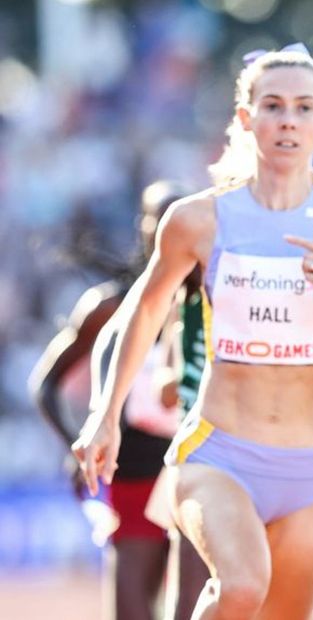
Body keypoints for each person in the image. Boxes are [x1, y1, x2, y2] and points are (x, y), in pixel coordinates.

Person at [71, 45, 313, 619]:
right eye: (273, 105)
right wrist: (103, 413)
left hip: (312, 464)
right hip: (219, 453)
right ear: (245, 117)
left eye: (304, 108)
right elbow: (143, 311)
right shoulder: (198, 218)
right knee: (239, 588)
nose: (287, 120)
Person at [29, 180, 201, 620]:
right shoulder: (110, 307)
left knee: (197, 608)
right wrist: (75, 441)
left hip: (201, 473)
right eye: (158, 217)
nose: (169, 228)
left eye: (179, 217)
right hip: (135, 475)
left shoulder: (217, 300)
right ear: (143, 226)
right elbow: (45, 383)